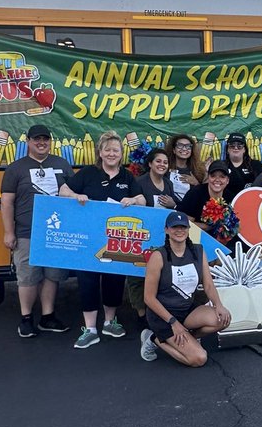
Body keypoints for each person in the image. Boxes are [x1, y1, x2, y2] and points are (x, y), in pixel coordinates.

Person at [59, 130, 145, 348]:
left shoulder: (127, 176)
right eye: (107, 149)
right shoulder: (88, 173)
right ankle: (89, 329)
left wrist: (133, 200)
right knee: (87, 280)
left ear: (121, 153)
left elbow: (144, 200)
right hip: (88, 238)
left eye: (115, 150)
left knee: (114, 279)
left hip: (116, 239)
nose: (111, 153)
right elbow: (62, 190)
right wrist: (75, 196)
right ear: (100, 152)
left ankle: (109, 322)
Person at [0, 123, 74, 338]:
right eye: (36, 139)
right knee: (28, 277)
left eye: (45, 139)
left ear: (51, 142)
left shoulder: (62, 164)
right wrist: (9, 232)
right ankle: (26, 318)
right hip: (26, 232)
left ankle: (47, 317)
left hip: (55, 233)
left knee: (52, 276)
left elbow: (71, 192)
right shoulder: (15, 168)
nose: (41, 143)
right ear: (28, 142)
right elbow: (6, 202)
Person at [140, 211, 232, 367]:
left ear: (189, 229)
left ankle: (188, 338)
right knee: (199, 358)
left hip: (187, 310)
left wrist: (219, 305)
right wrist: (173, 323)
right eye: (175, 227)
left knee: (222, 319)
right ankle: (155, 339)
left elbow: (208, 284)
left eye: (183, 226)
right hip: (164, 317)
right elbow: (148, 298)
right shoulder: (158, 256)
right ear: (167, 230)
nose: (179, 230)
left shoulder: (198, 251)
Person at [126, 147, 176, 327]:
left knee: (160, 274)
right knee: (138, 274)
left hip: (163, 237)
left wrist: (173, 203)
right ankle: (141, 314)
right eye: (158, 161)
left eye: (165, 162)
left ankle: (158, 310)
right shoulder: (139, 182)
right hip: (142, 236)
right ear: (149, 164)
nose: (162, 165)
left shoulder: (168, 184)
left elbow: (173, 208)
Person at [164, 133, 206, 203]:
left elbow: (203, 196)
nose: (184, 149)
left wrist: (196, 184)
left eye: (188, 146)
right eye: (180, 145)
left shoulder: (198, 171)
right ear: (174, 150)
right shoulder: (165, 168)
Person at [222, 131, 258, 201]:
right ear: (227, 149)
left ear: (244, 149)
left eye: (239, 145)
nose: (236, 148)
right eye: (232, 145)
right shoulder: (221, 165)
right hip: (226, 204)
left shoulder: (255, 165)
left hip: (250, 201)